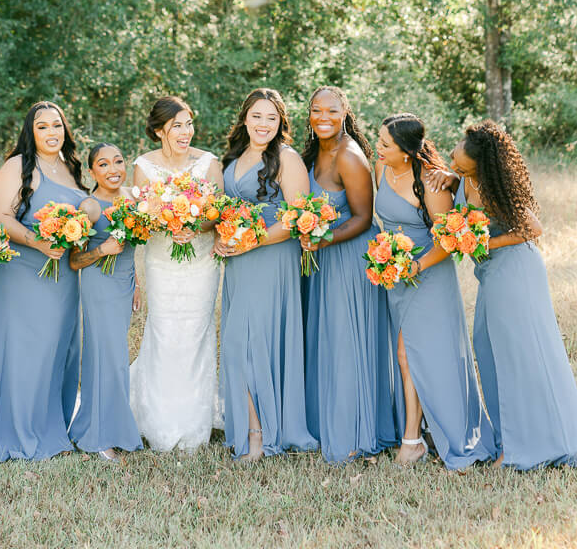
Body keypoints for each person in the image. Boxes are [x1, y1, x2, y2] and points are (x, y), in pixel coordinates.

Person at [448, 120, 577, 470]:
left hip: (515, 272)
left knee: (516, 355)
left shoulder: (494, 188)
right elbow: (450, 175)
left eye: (461, 167)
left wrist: (483, 242)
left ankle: (519, 448)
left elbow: (532, 228)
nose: (454, 165)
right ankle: (510, 437)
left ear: (481, 168)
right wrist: (449, 177)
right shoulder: (463, 177)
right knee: (486, 347)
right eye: (454, 159)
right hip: (492, 274)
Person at [374, 113, 495, 469]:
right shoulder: (382, 169)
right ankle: (417, 432)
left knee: (410, 355)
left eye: (385, 144)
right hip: (395, 275)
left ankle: (413, 440)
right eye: (379, 141)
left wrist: (413, 266)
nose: (378, 148)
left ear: (407, 152)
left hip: (427, 275)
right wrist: (386, 259)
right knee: (407, 356)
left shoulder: (430, 183)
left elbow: (447, 241)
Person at [0, 101, 86, 461]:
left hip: (63, 277)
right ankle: (13, 431)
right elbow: (0, 216)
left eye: (57, 125)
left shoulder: (71, 168)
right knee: (22, 349)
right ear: (31, 131)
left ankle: (50, 429)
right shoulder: (17, 166)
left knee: (56, 350)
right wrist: (36, 239)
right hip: (22, 271)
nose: (52, 133)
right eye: (43, 127)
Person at [216, 87, 318, 463]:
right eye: (257, 116)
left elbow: (298, 220)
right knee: (236, 342)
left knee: (250, 343)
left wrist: (251, 242)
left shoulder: (287, 159)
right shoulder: (235, 156)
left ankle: (259, 435)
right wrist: (221, 238)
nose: (263, 124)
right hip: (239, 261)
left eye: (271, 118)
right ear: (245, 118)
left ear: (281, 123)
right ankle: (250, 425)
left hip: (271, 257)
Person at [301, 87, 400, 463]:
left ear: (345, 113)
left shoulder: (350, 156)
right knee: (324, 339)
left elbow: (363, 218)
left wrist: (323, 240)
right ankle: (321, 422)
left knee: (345, 341)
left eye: (331, 111)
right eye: (315, 110)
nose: (322, 117)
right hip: (322, 257)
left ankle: (355, 430)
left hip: (348, 257)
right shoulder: (315, 153)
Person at [129, 95, 224, 451]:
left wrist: (196, 226)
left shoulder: (209, 163)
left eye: (189, 124)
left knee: (197, 331)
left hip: (200, 262)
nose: (186, 132)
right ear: (159, 131)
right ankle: (158, 420)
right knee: (164, 330)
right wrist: (166, 225)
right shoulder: (144, 166)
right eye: (176, 127)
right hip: (161, 260)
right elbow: (142, 216)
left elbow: (217, 213)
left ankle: (196, 422)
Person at [69, 142, 143, 461]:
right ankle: (98, 436)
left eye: (118, 161)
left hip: (124, 283)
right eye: (103, 164)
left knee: (116, 355)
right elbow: (75, 261)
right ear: (91, 171)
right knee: (106, 357)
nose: (113, 169)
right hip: (99, 285)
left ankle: (108, 426)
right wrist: (101, 250)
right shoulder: (90, 206)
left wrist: (136, 283)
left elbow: (130, 246)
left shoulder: (131, 199)